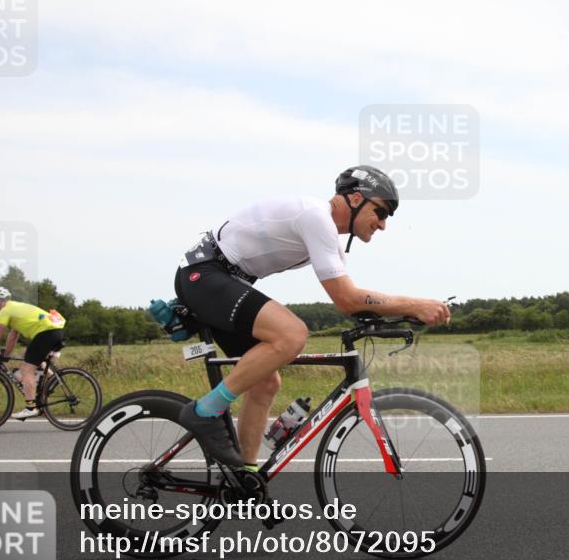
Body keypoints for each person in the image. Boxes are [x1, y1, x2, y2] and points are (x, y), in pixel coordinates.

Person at [174, 165, 450, 470]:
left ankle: (245, 477)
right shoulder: (315, 216)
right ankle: (204, 411)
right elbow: (347, 297)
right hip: (205, 275)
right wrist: (414, 305)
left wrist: (394, 317)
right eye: (382, 212)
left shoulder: (327, 234)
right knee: (292, 334)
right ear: (356, 198)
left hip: (219, 280)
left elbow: (351, 303)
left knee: (265, 382)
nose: (383, 225)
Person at [0, 287, 67, 420]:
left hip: (46, 333)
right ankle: (50, 383)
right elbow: (13, 336)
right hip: (56, 332)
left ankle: (30, 408)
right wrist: (6, 354)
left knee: (26, 369)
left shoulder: (5, 311)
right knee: (30, 358)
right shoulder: (15, 308)